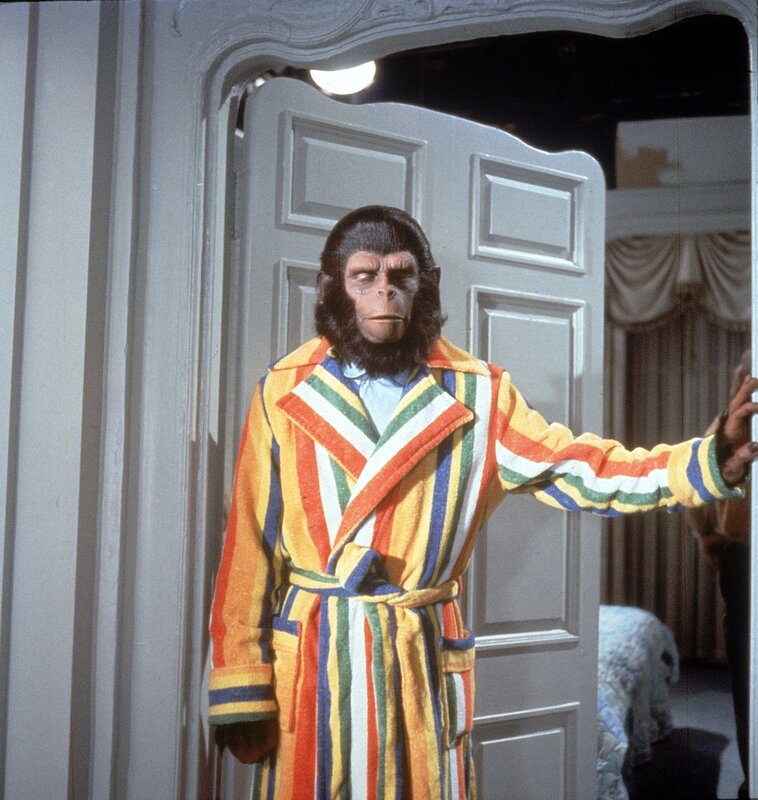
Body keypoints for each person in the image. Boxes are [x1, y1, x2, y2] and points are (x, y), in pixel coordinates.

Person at [208, 206, 758, 800]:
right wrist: (241, 683)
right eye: (364, 276)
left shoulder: (478, 394)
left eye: (402, 274)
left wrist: (706, 460)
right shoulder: (284, 389)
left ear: (427, 284)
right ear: (332, 288)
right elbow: (249, 550)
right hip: (315, 662)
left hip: (417, 661)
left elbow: (582, 469)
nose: (385, 291)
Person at [688, 349, 752, 800]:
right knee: (748, 683)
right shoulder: (728, 426)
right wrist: (707, 534)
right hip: (742, 560)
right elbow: (692, 485)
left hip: (737, 556)